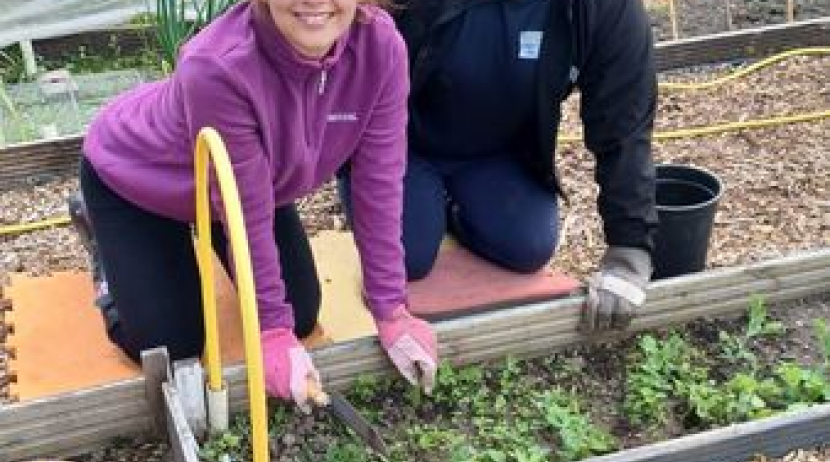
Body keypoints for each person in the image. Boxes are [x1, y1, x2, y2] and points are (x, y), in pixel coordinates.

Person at [69, 0, 439, 410]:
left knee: (298, 315)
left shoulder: (380, 45)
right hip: (142, 179)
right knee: (171, 346)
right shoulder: (217, 65)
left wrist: (391, 310)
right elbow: (243, 211)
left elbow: (380, 183)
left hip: (255, 183)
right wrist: (269, 332)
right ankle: (104, 252)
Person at [340, 0, 658, 333]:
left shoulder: (601, 10)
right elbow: (350, 62)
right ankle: (422, 203)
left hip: (498, 150)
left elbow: (625, 126)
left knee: (528, 246)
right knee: (407, 257)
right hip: (401, 147)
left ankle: (450, 207)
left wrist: (629, 249)